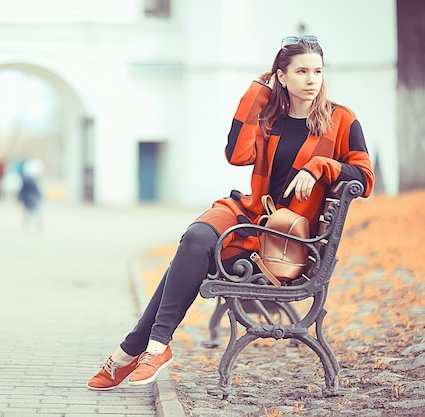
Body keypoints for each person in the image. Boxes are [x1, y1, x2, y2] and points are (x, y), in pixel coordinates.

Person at [87, 35, 375, 390]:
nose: (312, 79)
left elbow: (364, 176)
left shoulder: (341, 119)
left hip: (284, 239)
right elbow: (236, 155)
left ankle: (133, 349)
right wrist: (256, 91)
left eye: (317, 70)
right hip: (252, 215)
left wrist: (321, 166)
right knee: (195, 238)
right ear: (281, 77)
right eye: (301, 71)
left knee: (192, 258)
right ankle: (155, 348)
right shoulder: (273, 118)